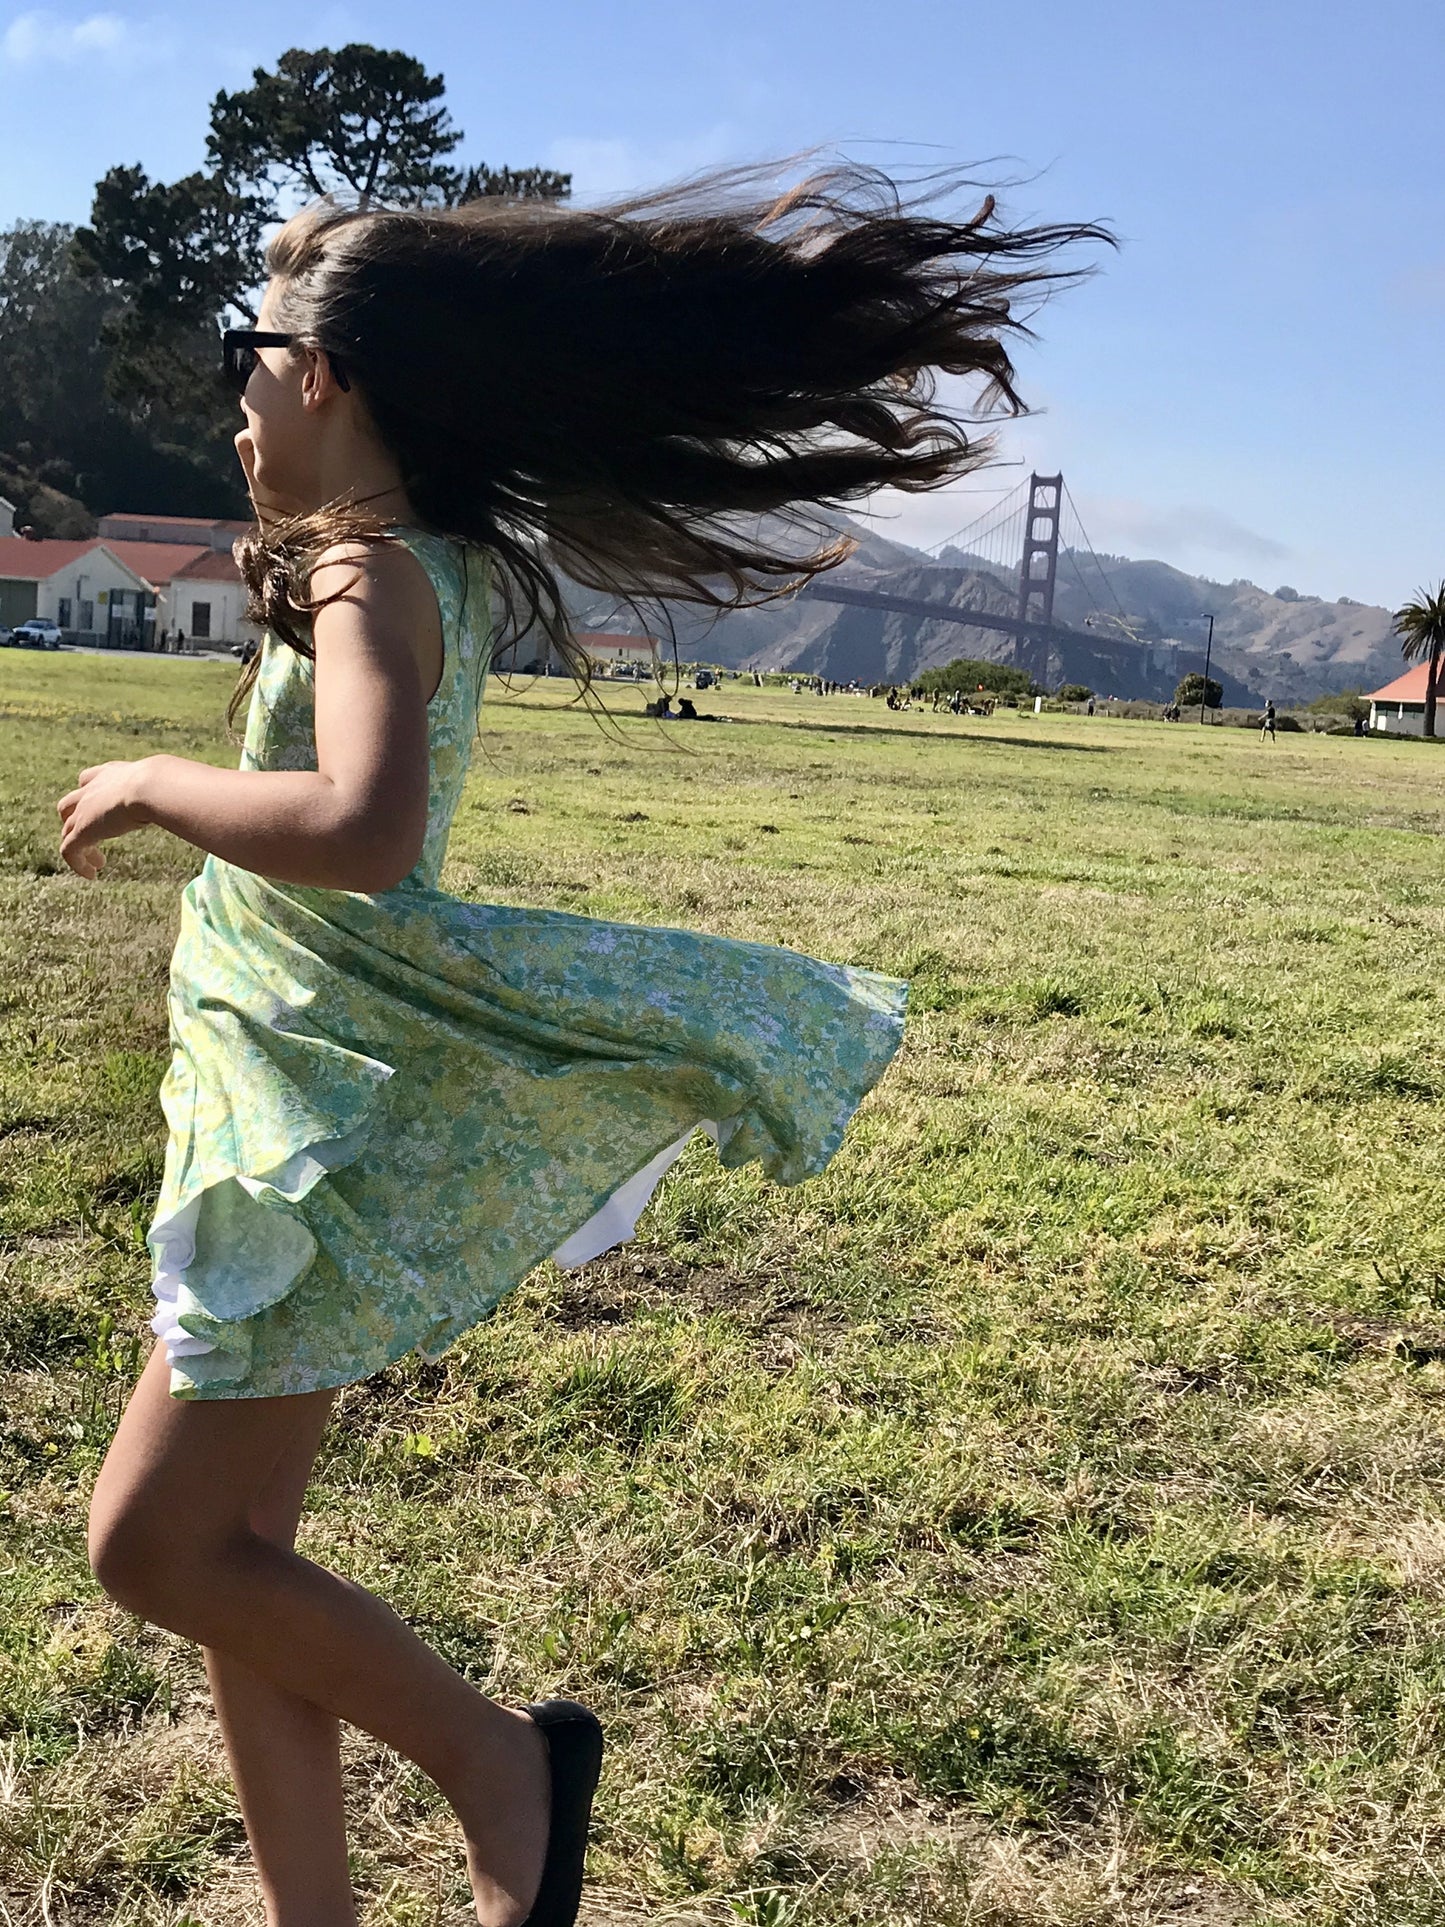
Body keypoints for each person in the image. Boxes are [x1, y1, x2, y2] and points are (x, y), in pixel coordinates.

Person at [52, 163, 1104, 1927]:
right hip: (271, 1092)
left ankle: (498, 1764)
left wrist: (162, 782)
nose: (232, 401)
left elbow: (368, 824)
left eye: (248, 357)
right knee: (233, 1566)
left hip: (309, 1106)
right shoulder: (383, 561)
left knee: (153, 1549)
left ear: (322, 378)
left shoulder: (380, 571)